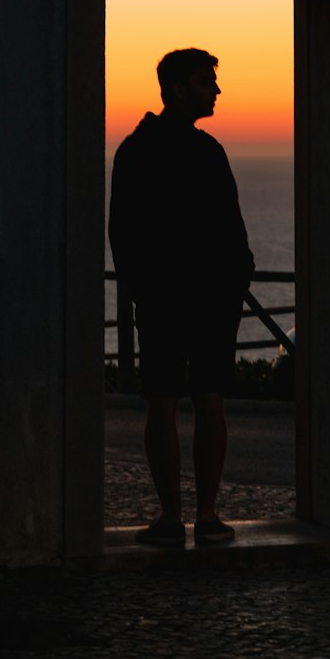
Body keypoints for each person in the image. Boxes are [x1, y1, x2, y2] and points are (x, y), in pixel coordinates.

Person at [108, 48, 254, 548]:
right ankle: (201, 517)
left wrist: (234, 277)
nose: (216, 90)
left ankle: (177, 517)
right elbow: (125, 233)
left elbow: (123, 235)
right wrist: (233, 279)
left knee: (173, 402)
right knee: (192, 401)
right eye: (206, 81)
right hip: (187, 299)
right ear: (177, 89)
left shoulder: (143, 149)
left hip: (182, 300)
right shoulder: (189, 151)